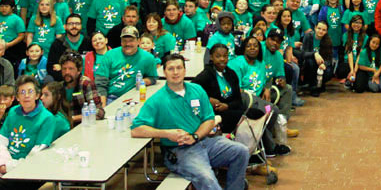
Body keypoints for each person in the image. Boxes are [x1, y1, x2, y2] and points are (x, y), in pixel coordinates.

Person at [131, 54, 250, 190]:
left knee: (241, 151)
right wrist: (166, 134)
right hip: (179, 151)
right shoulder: (156, 100)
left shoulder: (197, 90)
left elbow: (209, 119)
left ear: (185, 70)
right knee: (207, 178)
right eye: (170, 69)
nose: (175, 72)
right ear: (164, 72)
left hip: (205, 142)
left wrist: (195, 136)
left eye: (179, 68)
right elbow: (136, 129)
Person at [194, 44, 289, 157]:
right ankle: (258, 151)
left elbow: (238, 101)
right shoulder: (205, 75)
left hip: (230, 109)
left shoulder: (231, 74)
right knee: (250, 116)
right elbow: (192, 93)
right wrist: (208, 99)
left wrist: (227, 106)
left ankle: (256, 150)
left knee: (260, 112)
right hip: (215, 115)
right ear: (211, 57)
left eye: (225, 56)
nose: (222, 59)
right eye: (218, 56)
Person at [0, 75, 55, 190]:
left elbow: (36, 155)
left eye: (30, 91)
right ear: (17, 97)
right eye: (22, 92)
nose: (26, 96)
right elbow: (1, 141)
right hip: (5, 165)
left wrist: (8, 167)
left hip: (27, 171)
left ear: (37, 95)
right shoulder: (13, 112)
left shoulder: (47, 118)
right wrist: (3, 164)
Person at [95, 26, 158, 105]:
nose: (127, 44)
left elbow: (153, 77)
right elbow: (100, 83)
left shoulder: (148, 58)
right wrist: (103, 106)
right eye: (124, 41)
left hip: (135, 97)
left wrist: (145, 81)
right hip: (112, 97)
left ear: (138, 41)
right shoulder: (109, 55)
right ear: (121, 42)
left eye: (131, 40)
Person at [60, 51, 104, 124]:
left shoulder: (86, 83)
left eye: (71, 69)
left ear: (79, 70)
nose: (67, 72)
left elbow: (99, 112)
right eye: (64, 68)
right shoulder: (59, 87)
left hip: (83, 125)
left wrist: (74, 118)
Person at [47, 14, 93, 80]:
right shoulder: (57, 44)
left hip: (85, 79)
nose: (74, 26)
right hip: (63, 79)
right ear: (65, 26)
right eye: (71, 24)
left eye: (77, 24)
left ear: (81, 26)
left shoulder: (89, 42)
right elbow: (50, 67)